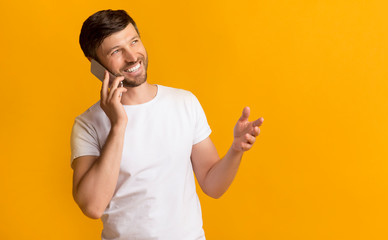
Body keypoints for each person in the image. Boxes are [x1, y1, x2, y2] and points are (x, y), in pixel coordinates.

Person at [70, 9, 264, 240]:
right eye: (116, 51)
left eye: (134, 41)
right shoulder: (87, 124)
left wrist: (235, 150)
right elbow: (92, 206)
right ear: (96, 65)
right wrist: (119, 124)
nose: (132, 56)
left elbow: (213, 186)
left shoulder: (184, 103)